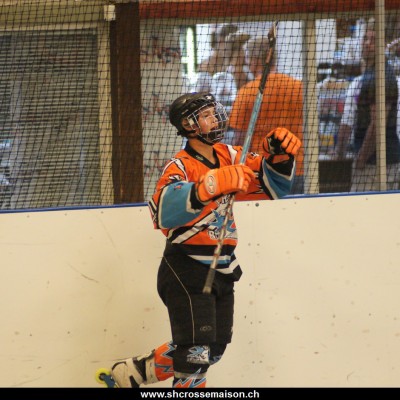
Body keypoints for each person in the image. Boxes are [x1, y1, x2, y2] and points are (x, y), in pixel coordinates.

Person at [109, 92, 301, 388]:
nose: (216, 118)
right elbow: (162, 212)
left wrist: (279, 156)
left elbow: (273, 187)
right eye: (207, 115)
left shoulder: (231, 155)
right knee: (195, 354)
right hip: (186, 267)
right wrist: (208, 186)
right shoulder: (180, 165)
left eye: (215, 112)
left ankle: (134, 373)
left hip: (222, 267)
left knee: (213, 349)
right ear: (189, 125)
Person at [229, 36, 304, 194]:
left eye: (248, 59)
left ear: (255, 60)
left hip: (263, 171)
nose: (247, 64)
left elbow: (239, 140)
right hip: (298, 167)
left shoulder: (247, 92)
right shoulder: (298, 87)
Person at [335, 18, 400, 192]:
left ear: (383, 45)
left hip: (377, 165)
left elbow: (377, 123)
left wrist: (361, 159)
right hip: (379, 161)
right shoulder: (368, 77)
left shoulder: (380, 76)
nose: (367, 43)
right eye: (365, 38)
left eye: (373, 40)